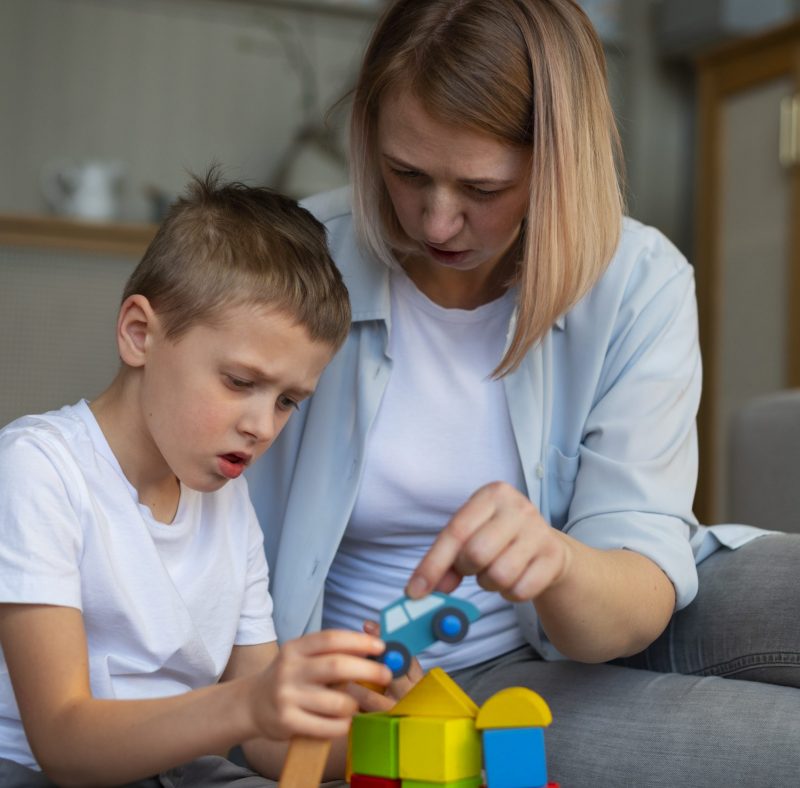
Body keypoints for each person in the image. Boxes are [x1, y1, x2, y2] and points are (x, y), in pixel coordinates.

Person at [246, 0, 800, 785]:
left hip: (611, 608)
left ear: (557, 165)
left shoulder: (638, 280)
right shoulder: (294, 262)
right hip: (450, 683)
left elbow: (635, 588)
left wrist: (557, 562)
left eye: (482, 186)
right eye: (407, 173)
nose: (438, 221)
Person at [0, 171, 395, 788]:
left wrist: (383, 724)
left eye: (290, 400)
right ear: (140, 334)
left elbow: (270, 746)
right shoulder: (38, 469)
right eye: (240, 382)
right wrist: (245, 705)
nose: (263, 426)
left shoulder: (228, 503)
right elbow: (63, 741)